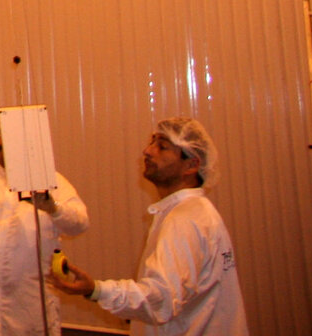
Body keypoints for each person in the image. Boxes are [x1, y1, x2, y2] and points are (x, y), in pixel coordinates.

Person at [48, 117, 249, 335]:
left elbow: (160, 299)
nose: (148, 151)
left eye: (162, 147)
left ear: (191, 165)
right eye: (152, 143)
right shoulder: (193, 211)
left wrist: (96, 290)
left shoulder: (185, 220)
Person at [0, 116, 90, 335]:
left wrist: (54, 208)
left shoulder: (51, 180)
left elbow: (80, 223)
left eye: (9, 146)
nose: (3, 154)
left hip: (31, 298)